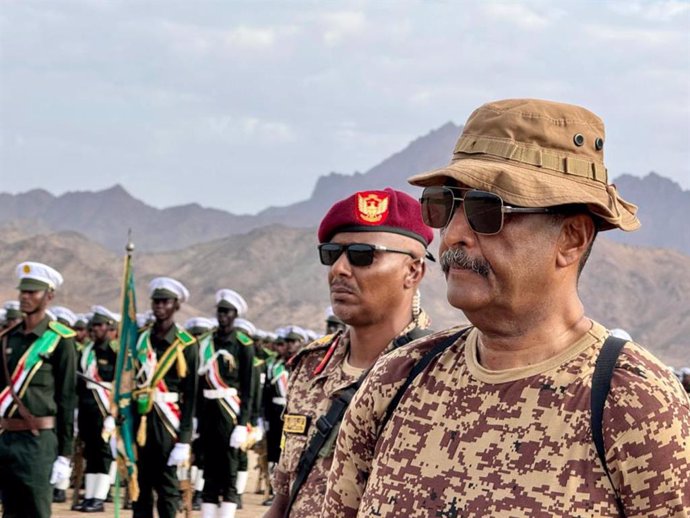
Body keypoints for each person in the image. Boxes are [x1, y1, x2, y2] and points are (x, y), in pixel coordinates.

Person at [322, 99, 690, 517]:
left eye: (487, 210)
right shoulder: (397, 380)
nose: (454, 234)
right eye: (445, 205)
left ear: (571, 238)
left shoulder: (634, 403)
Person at [265, 187, 435, 518]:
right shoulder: (311, 367)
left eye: (361, 255)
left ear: (413, 272)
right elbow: (285, 496)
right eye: (332, 253)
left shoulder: (438, 374)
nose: (339, 269)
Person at [0, 262, 77, 518]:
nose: (25, 296)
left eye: (33, 292)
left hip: (38, 442)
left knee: (35, 511)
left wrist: (65, 455)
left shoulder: (60, 340)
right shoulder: (8, 337)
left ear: (49, 296)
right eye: (23, 291)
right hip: (6, 436)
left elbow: (67, 400)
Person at [132, 277, 199, 518]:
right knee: (139, 489)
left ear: (176, 306)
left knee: (168, 490)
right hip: (140, 421)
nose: (159, 306)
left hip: (168, 424)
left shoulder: (186, 344)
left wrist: (184, 439)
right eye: (156, 301)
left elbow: (191, 395)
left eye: (165, 302)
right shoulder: (139, 339)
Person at [197, 289, 255, 518]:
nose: (222, 316)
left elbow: (249, 388)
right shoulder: (206, 342)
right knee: (208, 471)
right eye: (220, 311)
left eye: (227, 312)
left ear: (235, 315)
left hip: (230, 413)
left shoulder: (243, 344)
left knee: (229, 470)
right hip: (208, 412)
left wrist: (243, 423)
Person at [72, 305, 119, 512]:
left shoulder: (115, 351)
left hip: (105, 407)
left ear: (109, 327)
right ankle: (89, 496)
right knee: (90, 451)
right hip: (87, 407)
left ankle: (99, 497)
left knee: (103, 452)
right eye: (93, 325)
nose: (95, 329)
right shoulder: (87, 351)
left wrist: (113, 413)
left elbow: (121, 384)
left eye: (100, 325)